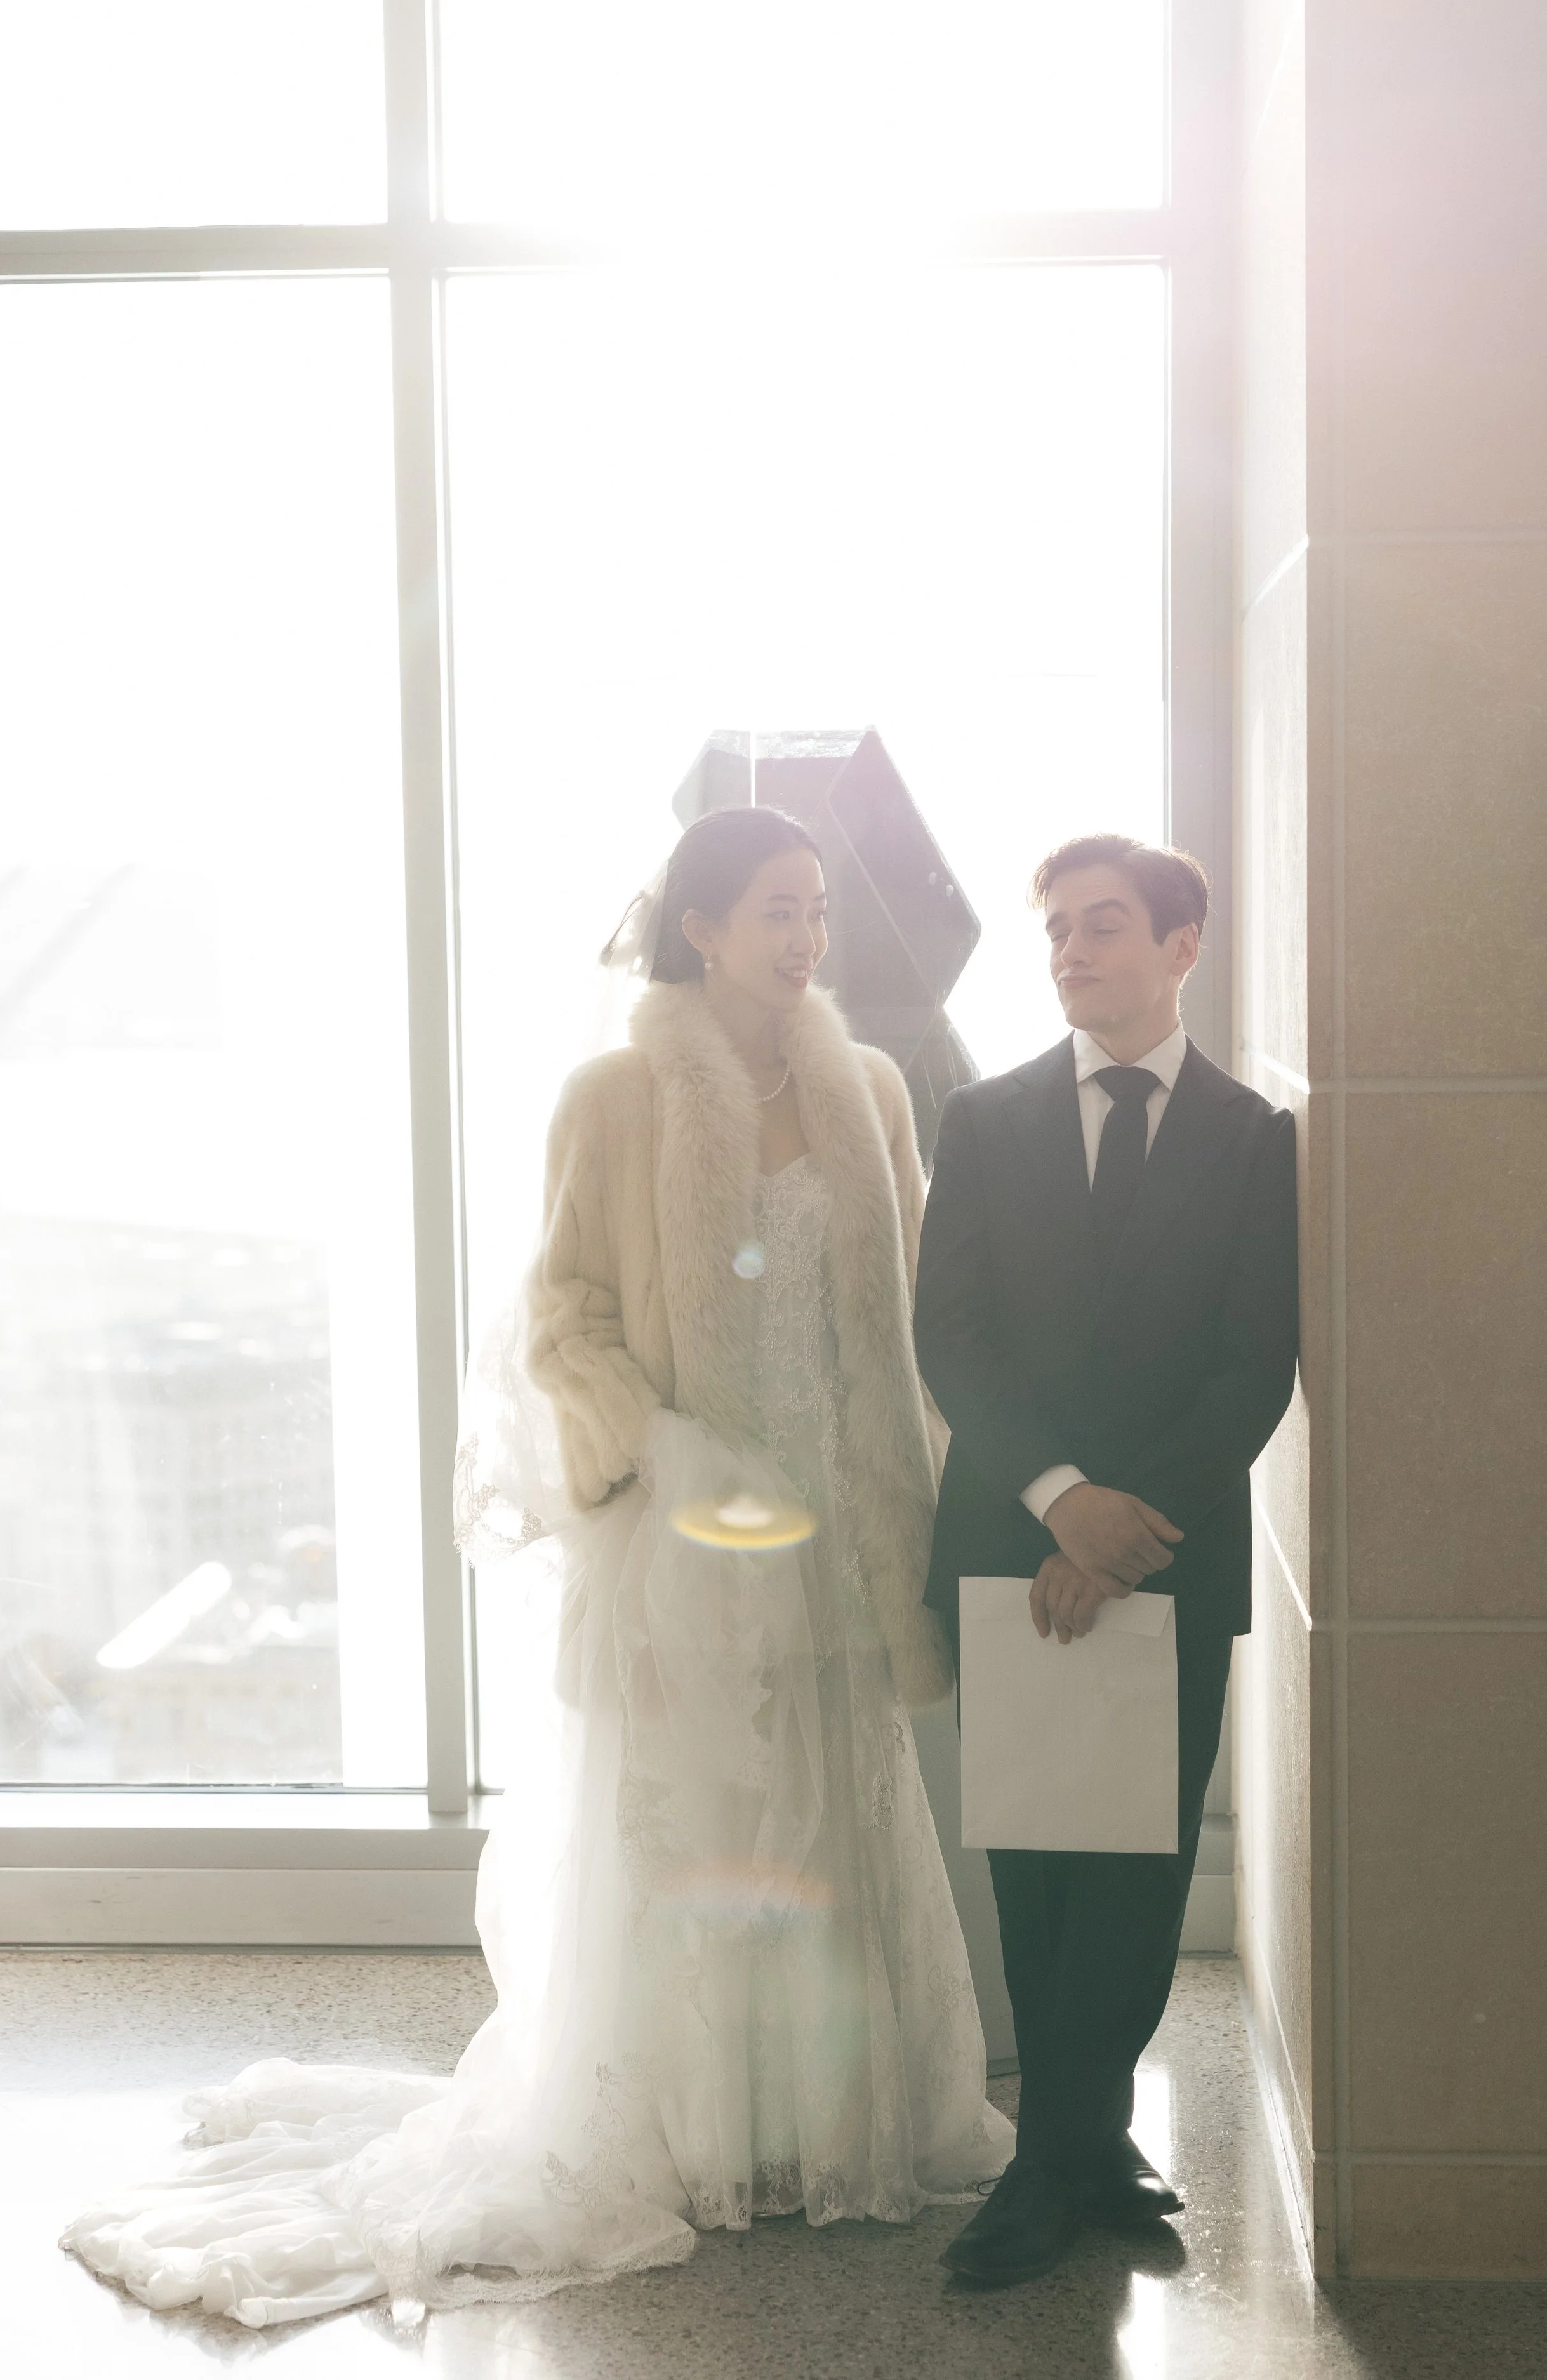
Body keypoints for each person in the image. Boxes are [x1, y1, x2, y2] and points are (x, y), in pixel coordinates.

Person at [63, 803, 1010, 2325]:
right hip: (684, 1546)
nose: (806, 936)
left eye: (817, 909)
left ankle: (826, 2130)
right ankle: (694, 2140)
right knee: (692, 1837)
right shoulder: (613, 1098)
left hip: (838, 1533)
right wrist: (666, 1453)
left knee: (829, 1822)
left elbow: (904, 1331)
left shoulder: (870, 1091)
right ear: (701, 926)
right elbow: (560, 1322)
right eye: (777, 907)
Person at [914, 832, 1298, 2287]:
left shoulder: (1253, 1139)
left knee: (1135, 1873)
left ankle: (1071, 2147)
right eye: (1057, 931)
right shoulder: (985, 1118)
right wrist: (1062, 1501)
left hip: (1166, 1557)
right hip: (1013, 1545)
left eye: (1102, 926)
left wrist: (1126, 1531)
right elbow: (950, 1334)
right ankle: (1063, 2157)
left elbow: (1251, 1365)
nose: (1071, 952)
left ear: (1180, 944)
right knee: (1037, 1867)